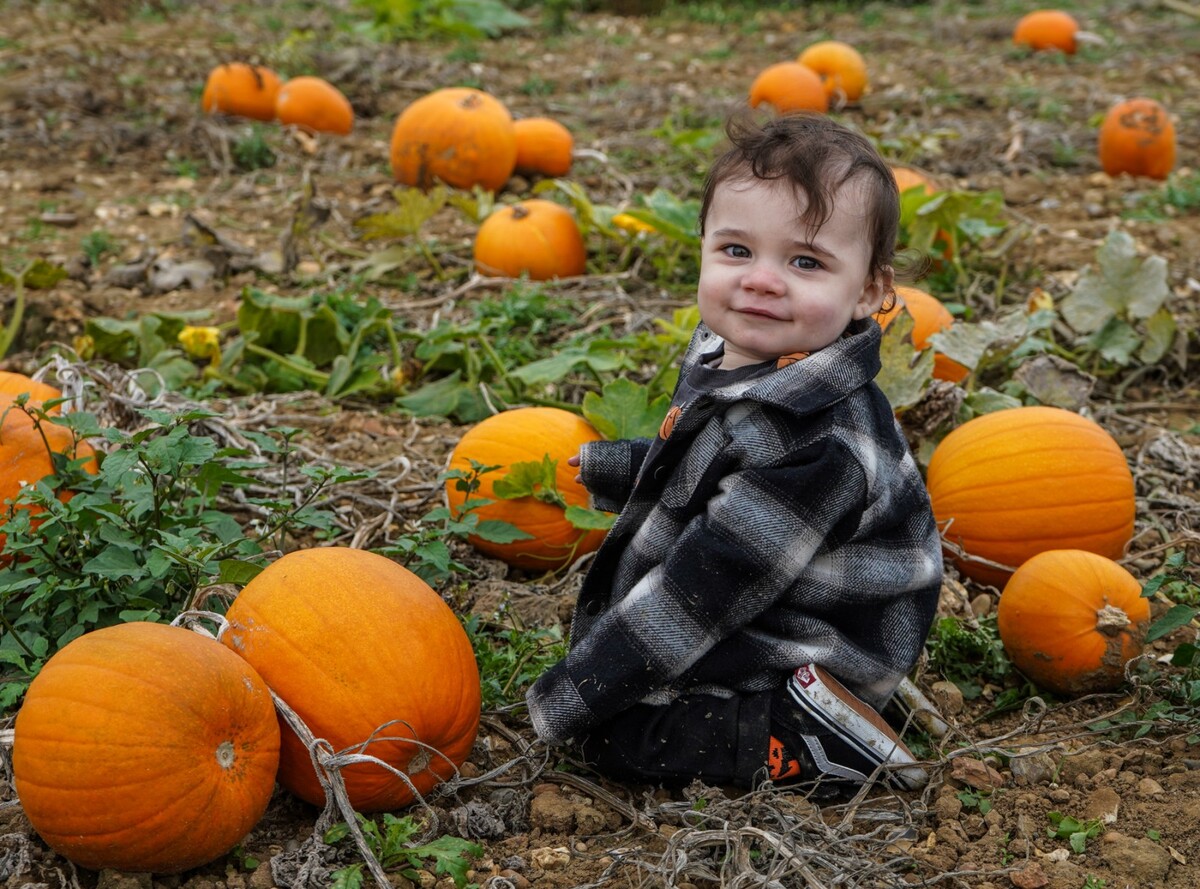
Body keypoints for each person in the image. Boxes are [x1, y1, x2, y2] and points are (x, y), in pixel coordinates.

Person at [525, 111, 943, 794]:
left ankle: (808, 737)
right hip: (778, 588)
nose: (762, 280)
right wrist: (620, 467)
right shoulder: (745, 351)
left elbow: (705, 590)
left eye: (805, 261)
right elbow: (714, 465)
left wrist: (581, 689)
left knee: (617, 737)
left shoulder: (816, 444)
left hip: (816, 635)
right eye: (736, 251)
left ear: (871, 290)